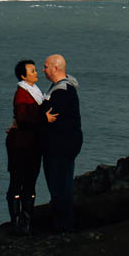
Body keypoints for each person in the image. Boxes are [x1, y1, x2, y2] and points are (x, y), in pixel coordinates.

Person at [4, 59, 52, 235]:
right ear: (23, 76)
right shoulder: (22, 94)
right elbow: (23, 118)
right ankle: (18, 219)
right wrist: (44, 119)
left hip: (31, 144)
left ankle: (25, 217)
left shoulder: (34, 92)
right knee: (18, 180)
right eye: (32, 71)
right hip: (20, 145)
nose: (36, 72)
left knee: (30, 181)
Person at [40, 53, 82, 232]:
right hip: (64, 143)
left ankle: (63, 225)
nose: (43, 70)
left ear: (56, 68)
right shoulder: (61, 88)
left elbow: (50, 114)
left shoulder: (61, 92)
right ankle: (62, 222)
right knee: (60, 183)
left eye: (46, 66)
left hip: (61, 145)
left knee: (60, 185)